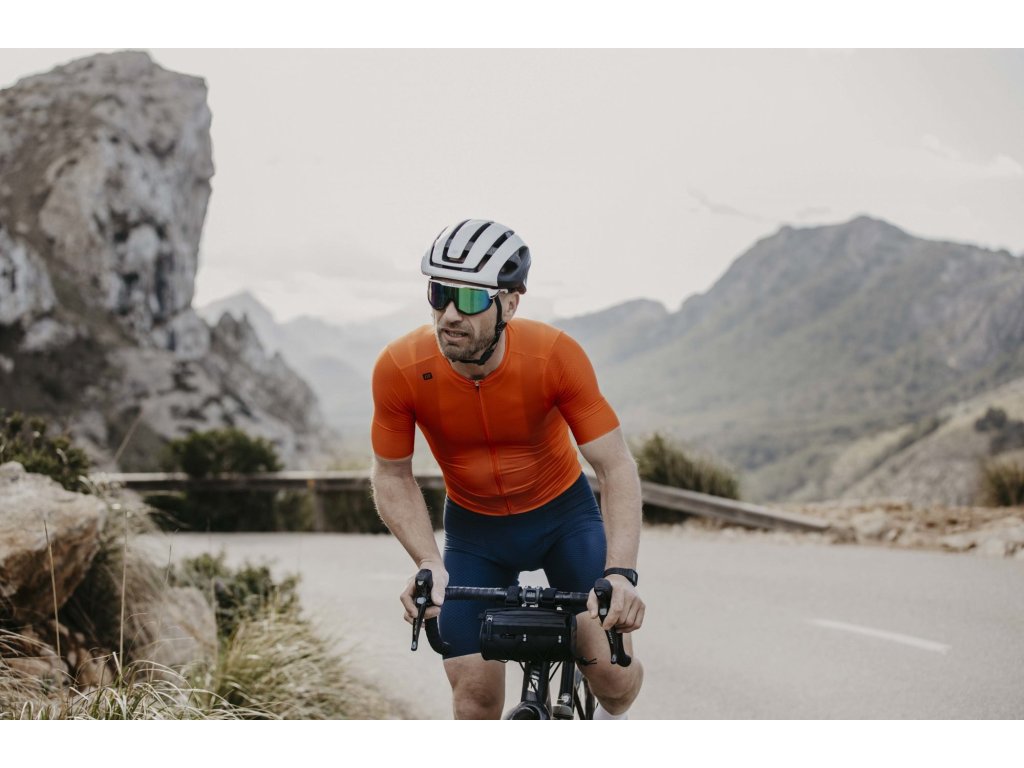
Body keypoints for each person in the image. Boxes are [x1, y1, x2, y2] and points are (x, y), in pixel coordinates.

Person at [370, 219, 644, 719]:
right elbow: (391, 474)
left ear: (510, 304)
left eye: (470, 299)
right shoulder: (400, 367)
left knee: (612, 679)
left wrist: (620, 574)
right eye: (439, 293)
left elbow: (615, 467)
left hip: (564, 520)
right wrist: (428, 561)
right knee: (474, 700)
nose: (450, 314)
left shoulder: (554, 356)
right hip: (475, 535)